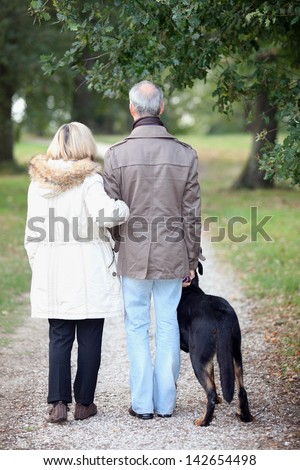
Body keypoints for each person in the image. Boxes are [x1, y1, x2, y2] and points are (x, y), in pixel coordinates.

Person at [103, 80, 204, 420]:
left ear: (133, 110)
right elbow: (192, 213)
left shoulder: (116, 154)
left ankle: (143, 405)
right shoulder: (185, 153)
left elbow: (111, 213)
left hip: (132, 255)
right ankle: (166, 404)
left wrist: (119, 245)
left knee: (135, 326)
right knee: (167, 325)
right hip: (173, 255)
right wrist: (192, 258)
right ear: (161, 108)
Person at [24, 122, 129, 423]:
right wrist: (123, 207)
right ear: (86, 145)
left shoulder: (38, 183)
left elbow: (32, 234)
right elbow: (106, 213)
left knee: (59, 336)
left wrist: (40, 264)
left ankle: (58, 403)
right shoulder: (89, 179)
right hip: (88, 267)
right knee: (90, 336)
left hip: (52, 267)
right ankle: (84, 403)